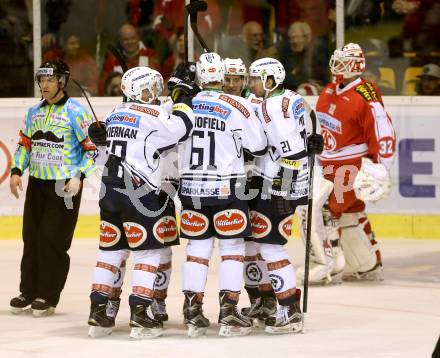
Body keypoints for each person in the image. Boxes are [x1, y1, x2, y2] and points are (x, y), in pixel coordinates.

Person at [86, 65, 197, 339]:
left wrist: (96, 139)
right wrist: (183, 99)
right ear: (139, 90)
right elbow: (182, 129)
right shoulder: (156, 113)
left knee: (110, 251)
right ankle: (140, 313)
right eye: (151, 88)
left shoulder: (114, 112)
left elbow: (98, 156)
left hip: (109, 191)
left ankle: (98, 312)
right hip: (140, 191)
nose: (156, 93)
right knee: (149, 252)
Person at [179, 52, 267, 337]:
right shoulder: (238, 104)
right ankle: (229, 313)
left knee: (197, 250)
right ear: (222, 76)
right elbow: (259, 145)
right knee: (231, 250)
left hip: (191, 188)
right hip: (227, 187)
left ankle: (192, 312)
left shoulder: (184, 105)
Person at [301, 43, 396, 285]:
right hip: (329, 164)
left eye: (343, 62)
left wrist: (380, 168)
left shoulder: (366, 95)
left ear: (356, 66)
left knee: (325, 209)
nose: (337, 66)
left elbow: (383, 132)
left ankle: (328, 265)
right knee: (350, 214)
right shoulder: (331, 88)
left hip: (352, 165)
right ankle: (366, 263)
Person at [9, 59, 97, 317]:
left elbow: (91, 150)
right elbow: (25, 144)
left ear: (61, 81)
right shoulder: (33, 112)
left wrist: (79, 175)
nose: (44, 85)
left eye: (49, 80)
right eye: (41, 80)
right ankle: (28, 290)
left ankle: (47, 295)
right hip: (37, 182)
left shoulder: (76, 111)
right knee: (32, 237)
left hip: (64, 186)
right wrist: (16, 171)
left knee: (52, 240)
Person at [246, 57, 309, 334]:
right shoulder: (291, 98)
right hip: (279, 182)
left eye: (256, 79)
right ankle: (277, 305)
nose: (252, 84)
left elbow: (293, 152)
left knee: (271, 246)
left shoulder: (273, 107)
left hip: (279, 184)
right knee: (264, 243)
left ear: (270, 80)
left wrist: (284, 188)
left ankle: (290, 310)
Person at [223, 58, 277, 328]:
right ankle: (256, 297)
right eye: (228, 79)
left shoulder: (256, 104)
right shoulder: (219, 105)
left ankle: (269, 298)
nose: (232, 84)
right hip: (232, 184)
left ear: (245, 80)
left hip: (257, 181)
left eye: (237, 79)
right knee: (244, 246)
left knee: (260, 243)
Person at [99, 23, 161, 95]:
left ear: (138, 37)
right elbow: (102, 87)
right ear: (120, 41)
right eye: (126, 39)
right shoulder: (113, 59)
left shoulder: (150, 55)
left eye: (133, 38)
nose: (130, 42)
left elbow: (158, 81)